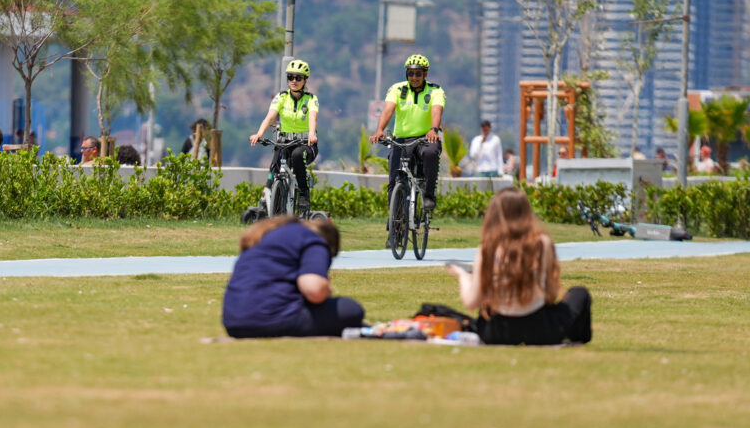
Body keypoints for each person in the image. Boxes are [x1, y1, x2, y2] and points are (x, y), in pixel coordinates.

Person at [446, 188, 591, 346]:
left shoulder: (486, 249)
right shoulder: (543, 243)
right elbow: (551, 294)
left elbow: (471, 302)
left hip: (495, 332)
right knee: (579, 293)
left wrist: (463, 276)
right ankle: (575, 339)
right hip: (539, 330)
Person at [221, 215, 364, 339]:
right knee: (351, 308)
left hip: (233, 321)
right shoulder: (314, 241)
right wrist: (326, 291)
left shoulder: (267, 236)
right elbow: (314, 291)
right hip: (272, 318)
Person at [371, 54, 445, 212]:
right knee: (394, 180)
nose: (414, 77)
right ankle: (394, 230)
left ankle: (428, 195)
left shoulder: (435, 90)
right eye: (411, 73)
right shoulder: (397, 89)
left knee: (431, 153)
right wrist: (379, 130)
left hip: (426, 138)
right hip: (402, 140)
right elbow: (388, 110)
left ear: (425, 74)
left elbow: (436, 111)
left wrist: (433, 129)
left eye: (418, 73)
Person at [250, 58, 320, 216]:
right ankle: (273, 201)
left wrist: (311, 133)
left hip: (305, 144)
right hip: (285, 143)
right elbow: (269, 117)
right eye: (291, 77)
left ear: (304, 80)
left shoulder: (311, 99)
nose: (294, 81)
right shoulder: (281, 97)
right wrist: (259, 134)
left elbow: (312, 118)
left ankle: (303, 193)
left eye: (298, 78)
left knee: (296, 155)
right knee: (274, 165)